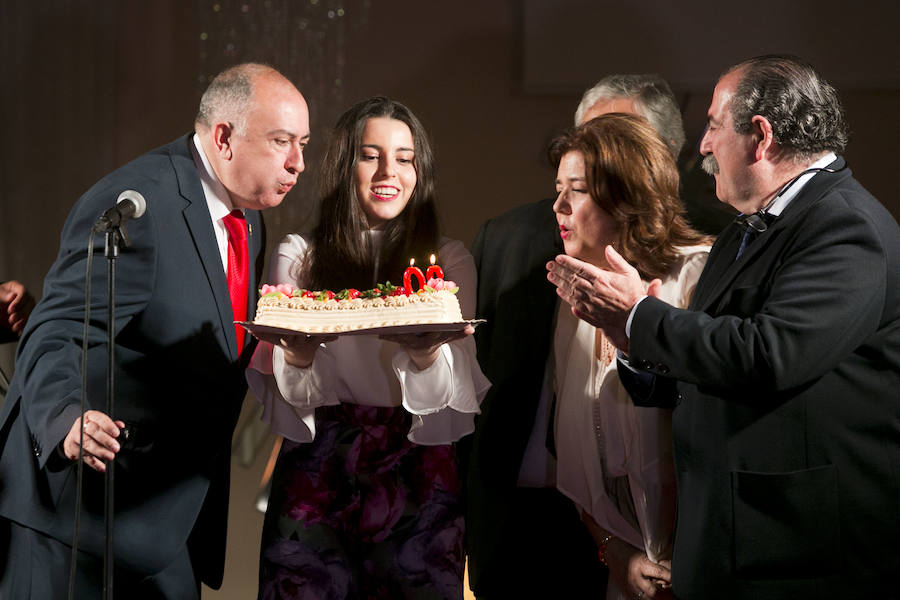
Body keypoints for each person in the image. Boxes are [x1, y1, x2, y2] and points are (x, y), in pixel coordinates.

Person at [546, 54, 900, 598]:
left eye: (712, 125)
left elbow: (770, 354)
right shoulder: (748, 229)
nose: (703, 145)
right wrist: (630, 342)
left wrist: (639, 315)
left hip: (799, 553)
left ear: (760, 137)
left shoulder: (845, 225)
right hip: (738, 543)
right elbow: (707, 367)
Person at [0, 63, 310, 598]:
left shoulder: (251, 217)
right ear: (224, 138)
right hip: (79, 519)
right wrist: (64, 417)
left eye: (303, 143)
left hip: (167, 522)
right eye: (281, 141)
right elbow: (55, 329)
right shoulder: (134, 205)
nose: (298, 163)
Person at [246, 96, 490, 599]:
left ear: (419, 172)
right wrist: (297, 353)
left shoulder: (448, 262)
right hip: (319, 463)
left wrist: (424, 353)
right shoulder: (301, 257)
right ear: (343, 165)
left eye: (404, 158)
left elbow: (452, 392)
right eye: (370, 154)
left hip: (419, 464)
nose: (388, 171)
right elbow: (296, 398)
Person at [463, 73, 692, 599]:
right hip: (526, 524)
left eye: (617, 148)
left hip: (658, 539)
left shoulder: (699, 266)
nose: (597, 157)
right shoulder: (508, 239)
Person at [549, 114, 711, 600]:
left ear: (626, 200)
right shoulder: (579, 293)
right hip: (625, 573)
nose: (557, 205)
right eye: (557, 187)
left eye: (576, 190)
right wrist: (616, 553)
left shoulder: (699, 275)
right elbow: (581, 460)